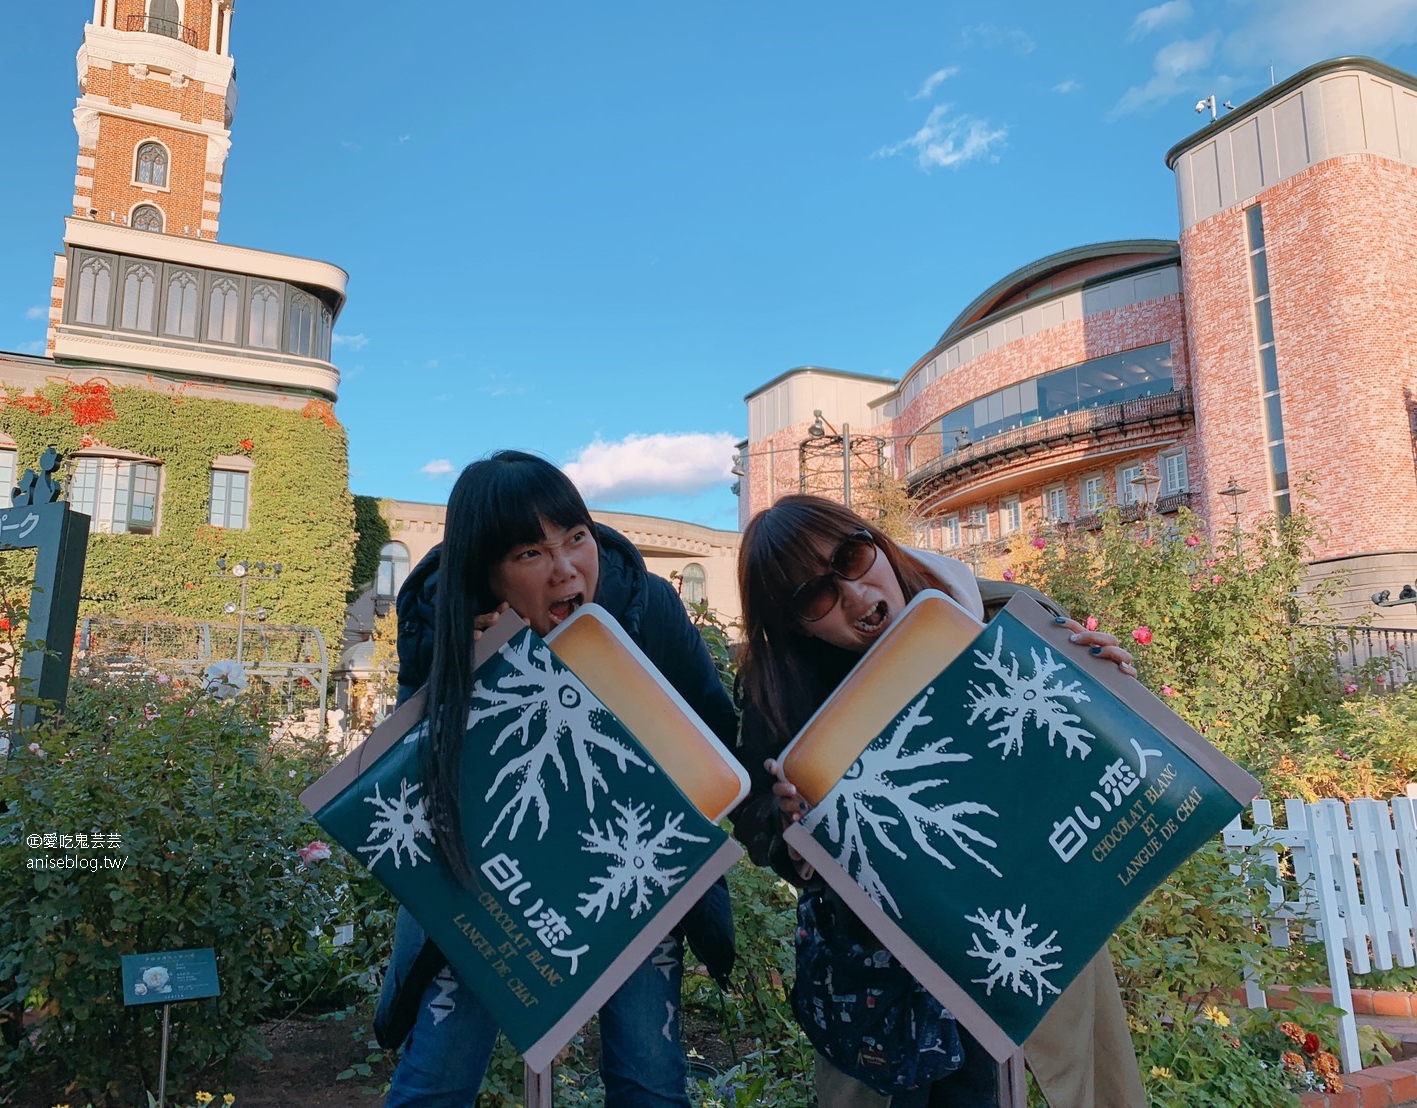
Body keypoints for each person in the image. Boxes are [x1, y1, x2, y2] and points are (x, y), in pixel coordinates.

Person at [730, 494, 1146, 1108]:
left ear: (874, 541)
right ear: (795, 622)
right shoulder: (781, 693)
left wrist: (1108, 690)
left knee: (1074, 1082)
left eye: (850, 556)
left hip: (1032, 924)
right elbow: (758, 818)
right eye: (813, 595)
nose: (851, 593)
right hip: (885, 958)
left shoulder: (1002, 615)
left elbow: (1096, 761)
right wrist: (791, 827)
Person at [375, 450, 737, 1108]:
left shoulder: (644, 604)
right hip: (489, 879)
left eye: (575, 538)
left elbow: (715, 734)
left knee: (649, 1077)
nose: (568, 567)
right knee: (437, 1076)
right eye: (531, 554)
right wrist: (489, 672)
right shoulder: (443, 624)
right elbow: (410, 776)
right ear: (490, 573)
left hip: (629, 870)